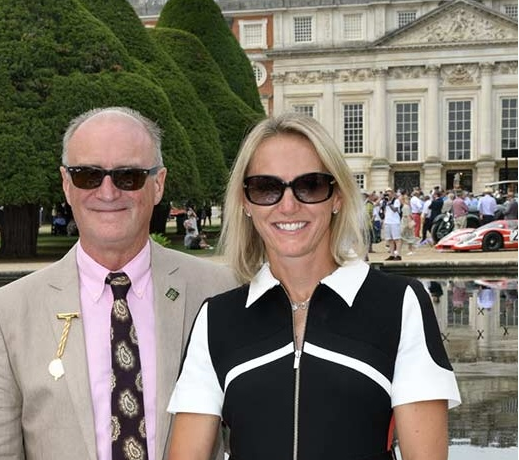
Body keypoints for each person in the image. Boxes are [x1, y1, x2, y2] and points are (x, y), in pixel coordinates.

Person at [166, 113, 460, 460]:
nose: (288, 205)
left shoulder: (400, 305)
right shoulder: (217, 318)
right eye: (266, 188)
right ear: (245, 202)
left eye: (310, 185)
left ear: (337, 197)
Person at [0, 107, 238, 460]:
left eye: (128, 176)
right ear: (66, 184)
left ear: (158, 184)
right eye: (88, 176)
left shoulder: (220, 292)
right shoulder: (8, 312)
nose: (108, 192)